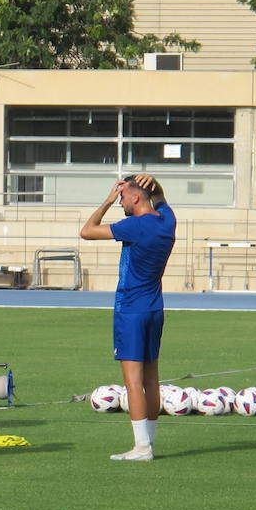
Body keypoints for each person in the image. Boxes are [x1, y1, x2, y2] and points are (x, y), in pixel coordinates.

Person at [80, 173, 176, 461]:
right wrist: (156, 184)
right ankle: (149, 442)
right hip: (154, 308)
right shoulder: (166, 221)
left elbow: (87, 231)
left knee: (133, 382)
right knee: (152, 379)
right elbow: (161, 199)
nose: (120, 200)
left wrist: (106, 201)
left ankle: (141, 447)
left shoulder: (134, 225)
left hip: (131, 310)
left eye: (122, 196)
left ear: (135, 197)